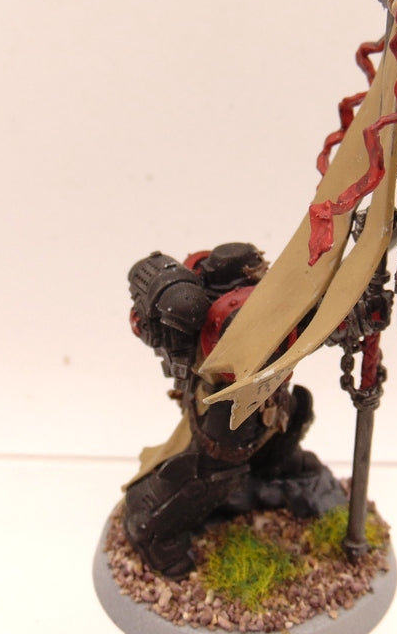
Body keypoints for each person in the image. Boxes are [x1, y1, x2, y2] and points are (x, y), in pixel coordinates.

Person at [122, 242, 346, 575]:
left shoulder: (272, 295)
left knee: (293, 414)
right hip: (225, 401)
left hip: (269, 390)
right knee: (217, 470)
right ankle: (152, 527)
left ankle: (272, 469)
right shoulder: (200, 310)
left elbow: (315, 322)